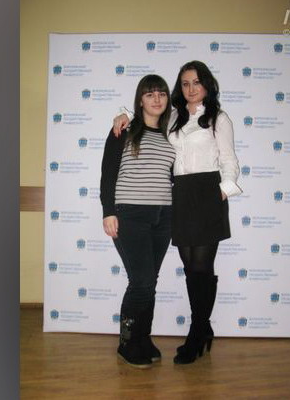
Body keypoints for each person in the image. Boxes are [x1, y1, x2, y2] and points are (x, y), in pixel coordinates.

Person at [113, 61, 242, 364]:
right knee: (189, 267)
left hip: (207, 192)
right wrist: (124, 114)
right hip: (180, 195)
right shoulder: (173, 116)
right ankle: (203, 329)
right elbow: (147, 113)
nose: (191, 89)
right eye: (185, 83)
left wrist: (222, 192)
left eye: (196, 82)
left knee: (202, 267)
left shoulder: (218, 117)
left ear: (207, 84)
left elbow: (229, 159)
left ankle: (197, 331)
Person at [100, 74, 175, 369]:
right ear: (140, 100)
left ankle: (143, 338)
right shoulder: (124, 131)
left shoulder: (172, 133)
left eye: (162, 93)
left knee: (150, 282)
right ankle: (127, 342)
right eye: (149, 94)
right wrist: (108, 211)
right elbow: (108, 173)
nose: (156, 99)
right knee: (141, 282)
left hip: (164, 215)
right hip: (130, 214)